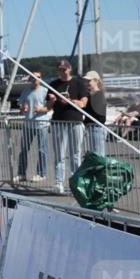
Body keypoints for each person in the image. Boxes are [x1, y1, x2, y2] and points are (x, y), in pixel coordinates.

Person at [47, 59, 88, 194]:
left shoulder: (78, 83)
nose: (62, 71)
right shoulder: (53, 84)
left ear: (69, 69)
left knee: (75, 155)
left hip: (75, 122)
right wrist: (52, 100)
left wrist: (70, 100)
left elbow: (83, 103)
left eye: (64, 69)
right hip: (58, 122)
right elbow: (48, 107)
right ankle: (59, 183)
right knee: (59, 155)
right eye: (60, 69)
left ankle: (75, 183)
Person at [14, 72, 50, 183]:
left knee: (42, 150)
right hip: (28, 124)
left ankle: (41, 173)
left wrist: (42, 110)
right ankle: (21, 174)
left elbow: (49, 107)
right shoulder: (26, 91)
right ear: (30, 78)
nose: (36, 79)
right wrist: (22, 109)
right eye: (33, 77)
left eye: (38, 77)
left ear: (41, 79)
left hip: (41, 124)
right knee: (24, 150)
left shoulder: (45, 91)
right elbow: (21, 110)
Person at [83, 70, 107, 156]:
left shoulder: (99, 95)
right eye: (86, 81)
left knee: (98, 156)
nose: (87, 83)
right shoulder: (90, 95)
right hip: (91, 128)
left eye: (89, 81)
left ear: (96, 81)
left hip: (97, 128)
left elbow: (100, 116)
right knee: (94, 156)